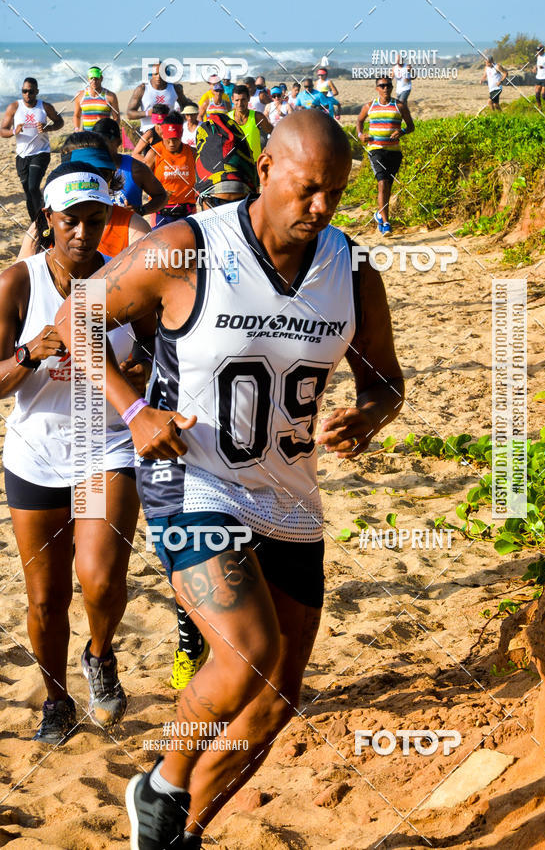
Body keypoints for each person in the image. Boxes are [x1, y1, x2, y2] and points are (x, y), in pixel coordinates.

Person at [54, 109, 404, 848]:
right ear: (269, 166)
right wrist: (137, 409)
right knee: (247, 650)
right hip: (194, 480)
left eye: (335, 193)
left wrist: (370, 413)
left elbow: (385, 380)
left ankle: (180, 831)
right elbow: (76, 317)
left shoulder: (354, 268)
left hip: (290, 495)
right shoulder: (189, 250)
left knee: (276, 698)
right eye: (308, 188)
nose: (321, 207)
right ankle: (161, 781)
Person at [1, 160, 155, 744]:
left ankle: (99, 654)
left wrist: (139, 375)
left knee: (98, 580)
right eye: (72, 221)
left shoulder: (129, 280)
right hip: (35, 456)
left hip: (105, 446)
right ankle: (57, 701)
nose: (84, 235)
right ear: (49, 219)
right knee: (44, 599)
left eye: (96, 220)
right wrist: (29, 354)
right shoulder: (19, 282)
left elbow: (155, 365)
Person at [168, 112, 258, 691]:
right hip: (184, 440)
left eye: (236, 198)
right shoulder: (171, 255)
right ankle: (187, 642)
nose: (224, 210)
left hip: (257, 442)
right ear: (198, 202)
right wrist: (132, 404)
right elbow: (94, 318)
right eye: (213, 199)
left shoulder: (275, 257)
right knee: (190, 560)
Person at [18, 131, 151, 260]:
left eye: (102, 174)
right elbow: (22, 276)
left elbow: (150, 278)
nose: (94, 184)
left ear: (112, 175)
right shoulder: (42, 226)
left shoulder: (133, 227)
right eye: (83, 176)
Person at [0, 78, 64, 221]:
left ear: (37, 92)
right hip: (22, 155)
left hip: (41, 152)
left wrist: (49, 127)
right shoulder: (14, 107)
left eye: (31, 91)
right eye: (24, 91)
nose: (27, 94)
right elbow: (2, 131)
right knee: (28, 192)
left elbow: (60, 121)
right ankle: (35, 221)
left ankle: (43, 217)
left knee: (33, 187)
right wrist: (13, 132)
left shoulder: (44, 107)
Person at [357, 76, 414, 235]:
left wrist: (401, 131)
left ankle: (379, 215)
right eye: (382, 86)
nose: (385, 88)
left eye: (388, 85)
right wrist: (361, 135)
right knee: (382, 183)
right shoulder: (370, 106)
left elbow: (411, 126)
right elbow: (359, 121)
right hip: (375, 150)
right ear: (377, 88)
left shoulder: (399, 106)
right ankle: (386, 223)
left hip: (394, 152)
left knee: (388, 186)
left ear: (392, 87)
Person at [92, 117, 167, 215]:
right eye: (97, 142)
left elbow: (161, 196)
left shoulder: (135, 169)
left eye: (105, 142)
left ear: (118, 142)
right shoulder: (87, 168)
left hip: (130, 229)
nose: (100, 147)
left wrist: (142, 210)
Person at [145, 112, 197, 227]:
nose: (172, 143)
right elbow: (142, 181)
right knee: (160, 244)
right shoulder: (154, 153)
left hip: (187, 210)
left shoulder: (192, 153)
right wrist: (158, 192)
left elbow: (204, 177)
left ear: (181, 134)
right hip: (161, 211)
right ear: (162, 134)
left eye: (175, 139)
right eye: (168, 139)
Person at [127, 61, 191, 137]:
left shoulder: (175, 89)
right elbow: (129, 114)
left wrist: (179, 118)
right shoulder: (142, 89)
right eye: (155, 74)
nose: (158, 77)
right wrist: (148, 113)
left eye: (161, 74)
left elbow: (186, 106)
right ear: (151, 74)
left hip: (169, 131)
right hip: (149, 132)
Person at [228, 84, 272, 162]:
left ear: (249, 98)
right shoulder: (227, 118)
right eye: (237, 100)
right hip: (234, 164)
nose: (240, 103)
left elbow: (273, 132)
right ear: (232, 99)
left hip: (254, 164)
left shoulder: (257, 117)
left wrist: (267, 148)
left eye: (243, 99)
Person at [73, 66, 120, 131]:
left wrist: (111, 131)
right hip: (87, 137)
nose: (94, 81)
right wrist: (76, 129)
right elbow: (77, 116)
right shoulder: (80, 95)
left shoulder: (110, 96)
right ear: (88, 79)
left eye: (96, 78)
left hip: (104, 137)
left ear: (101, 78)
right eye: (91, 78)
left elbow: (116, 118)